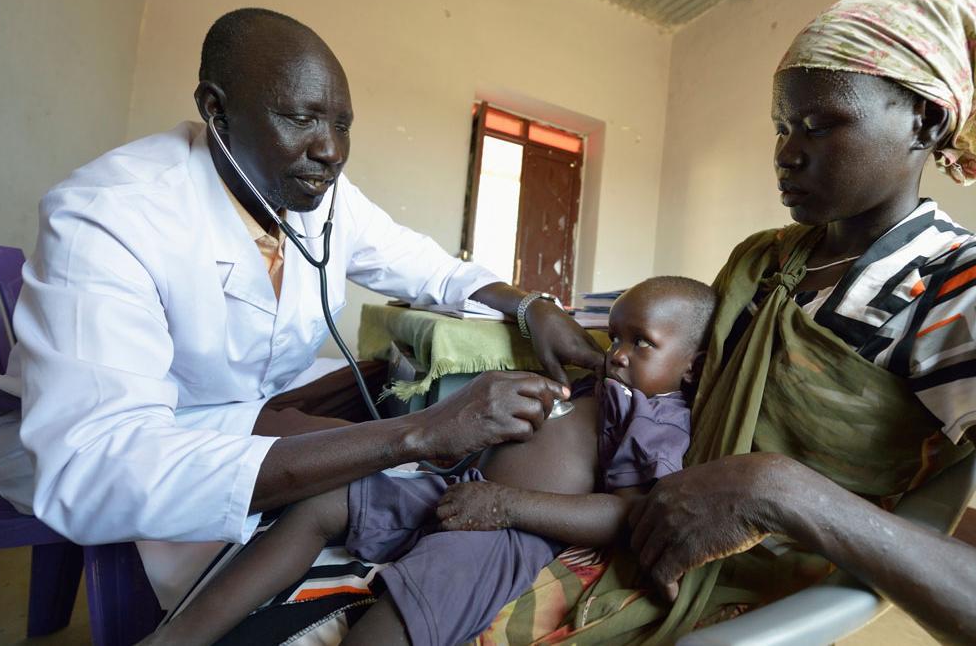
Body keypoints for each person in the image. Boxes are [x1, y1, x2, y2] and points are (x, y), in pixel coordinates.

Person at [477, 0, 976, 643]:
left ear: (925, 119)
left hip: (766, 602)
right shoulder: (764, 261)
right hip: (646, 533)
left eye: (818, 125)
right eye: (782, 126)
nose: (786, 154)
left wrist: (782, 490)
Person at [0, 7, 605, 616]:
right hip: (109, 441)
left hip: (234, 401)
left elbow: (430, 268)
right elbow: (96, 464)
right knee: (375, 459)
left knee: (385, 381)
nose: (331, 150)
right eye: (299, 118)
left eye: (343, 125)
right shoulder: (109, 215)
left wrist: (530, 306)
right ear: (215, 110)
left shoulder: (321, 198)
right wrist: (420, 433)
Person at [139, 276, 716, 645]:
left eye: (640, 343)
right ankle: (180, 636)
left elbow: (627, 516)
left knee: (410, 607)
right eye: (613, 336)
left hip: (506, 532)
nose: (615, 356)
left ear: (691, 364)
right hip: (457, 488)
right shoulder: (607, 381)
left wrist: (508, 505)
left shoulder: (660, 422)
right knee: (321, 500)